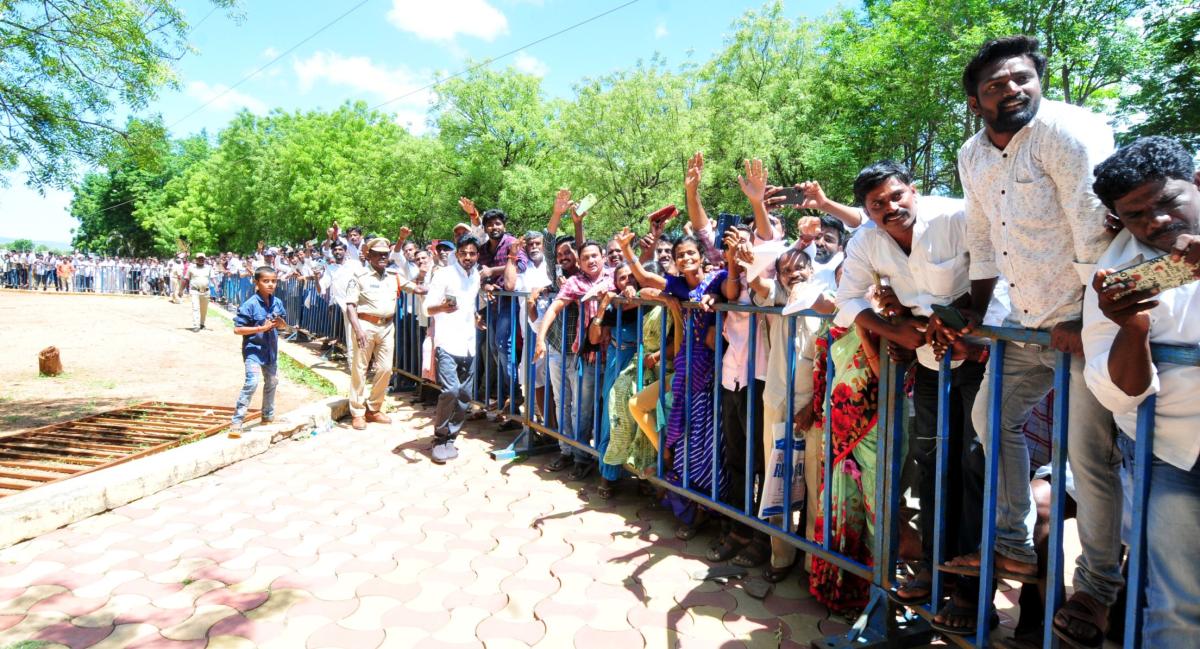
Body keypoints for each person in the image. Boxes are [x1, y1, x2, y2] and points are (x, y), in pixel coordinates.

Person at [935, 35, 1122, 648]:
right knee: (991, 419)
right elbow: (985, 240)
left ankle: (1096, 586)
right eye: (995, 84)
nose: (1012, 89)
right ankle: (1011, 544)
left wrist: (1090, 321)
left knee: (1087, 460)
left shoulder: (1070, 132)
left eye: (1022, 78)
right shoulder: (973, 155)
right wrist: (980, 314)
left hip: (1086, 327)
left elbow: (1096, 234)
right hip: (1025, 324)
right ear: (974, 101)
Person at [834, 161, 1000, 633]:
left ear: (913, 190)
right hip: (930, 363)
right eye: (877, 205)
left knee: (973, 463)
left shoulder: (956, 216)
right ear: (867, 211)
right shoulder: (865, 241)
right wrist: (895, 329)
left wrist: (971, 327)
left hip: (979, 357)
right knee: (929, 463)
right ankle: (933, 568)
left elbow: (1002, 271)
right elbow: (847, 301)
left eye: (895, 197)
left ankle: (972, 592)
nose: (890, 209)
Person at [1084, 136, 1200, 649]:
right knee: (1177, 609)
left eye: (1167, 202)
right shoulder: (1116, 270)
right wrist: (1131, 329)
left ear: (1197, 184)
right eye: (1136, 214)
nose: (1155, 222)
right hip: (1171, 453)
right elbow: (1116, 394)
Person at [616, 228, 728, 534]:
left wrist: (715, 296)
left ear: (702, 257)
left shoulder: (717, 279)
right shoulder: (678, 285)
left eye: (691, 253)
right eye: (681, 255)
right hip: (684, 371)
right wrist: (627, 250)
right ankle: (692, 510)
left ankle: (711, 508)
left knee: (707, 445)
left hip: (710, 374)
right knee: (685, 443)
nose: (686, 258)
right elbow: (644, 278)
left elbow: (732, 288)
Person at [424, 235, 483, 464]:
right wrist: (443, 308)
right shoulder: (444, 275)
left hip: (469, 344)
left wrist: (476, 316)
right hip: (447, 343)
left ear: (477, 256)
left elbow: (470, 305)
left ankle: (451, 438)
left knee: (465, 395)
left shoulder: (475, 276)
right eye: (464, 253)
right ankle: (439, 438)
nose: (468, 257)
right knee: (450, 391)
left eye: (472, 253)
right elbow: (427, 308)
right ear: (457, 254)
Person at [344, 238, 399, 430]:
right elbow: (350, 305)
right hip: (365, 325)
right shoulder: (359, 276)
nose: (382, 256)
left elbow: (417, 287)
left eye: (385, 253)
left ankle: (374, 408)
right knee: (360, 369)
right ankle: (358, 412)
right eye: (377, 253)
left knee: (385, 368)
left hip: (387, 327)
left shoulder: (394, 276)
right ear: (368, 255)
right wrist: (358, 330)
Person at [229, 266, 289, 438]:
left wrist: (280, 323)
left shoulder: (277, 302)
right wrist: (261, 328)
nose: (270, 284)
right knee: (252, 382)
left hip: (270, 350)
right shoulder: (250, 305)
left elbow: (284, 326)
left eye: (273, 281)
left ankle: (268, 416)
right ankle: (237, 421)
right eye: (266, 281)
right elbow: (237, 329)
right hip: (253, 351)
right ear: (256, 283)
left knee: (272, 381)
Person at [186, 253, 212, 331]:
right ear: (196, 259)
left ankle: (202, 324)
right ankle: (196, 325)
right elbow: (186, 279)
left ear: (204, 259)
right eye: (199, 258)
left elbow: (213, 278)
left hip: (206, 291)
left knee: (204, 309)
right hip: (195, 291)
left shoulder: (208, 268)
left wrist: (216, 288)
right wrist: (181, 290)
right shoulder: (191, 268)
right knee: (195, 308)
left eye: (202, 258)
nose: (201, 260)